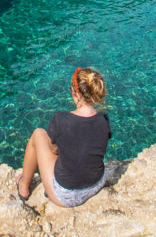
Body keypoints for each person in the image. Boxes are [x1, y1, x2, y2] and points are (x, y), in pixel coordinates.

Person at [17, 67, 111, 207]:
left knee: (38, 134)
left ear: (77, 95)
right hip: (96, 184)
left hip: (67, 195)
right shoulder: (104, 120)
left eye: (71, 90)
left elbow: (53, 150)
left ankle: (23, 186)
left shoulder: (61, 120)